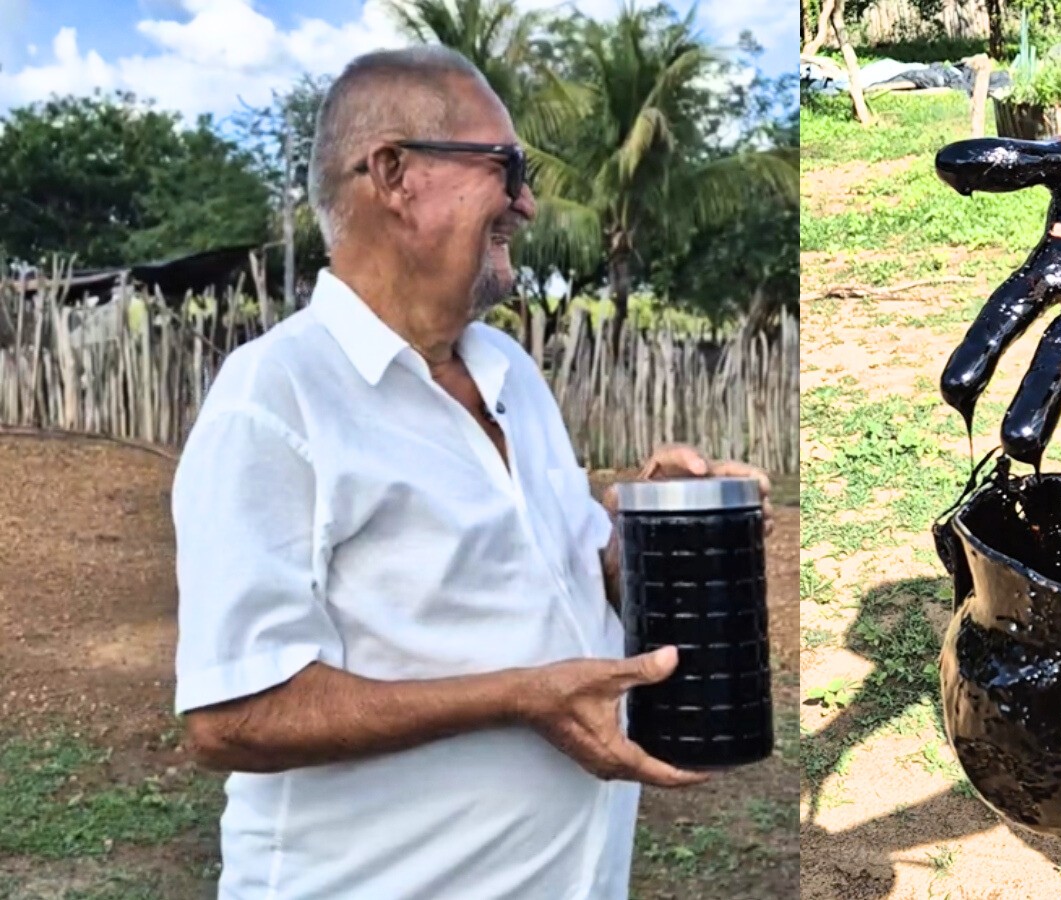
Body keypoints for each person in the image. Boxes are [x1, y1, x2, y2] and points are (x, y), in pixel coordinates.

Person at [169, 46, 771, 899]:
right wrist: (522, 697)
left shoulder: (506, 371)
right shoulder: (276, 398)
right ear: (394, 174)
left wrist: (661, 531)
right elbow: (233, 716)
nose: (525, 202)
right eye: (506, 167)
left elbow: (575, 579)